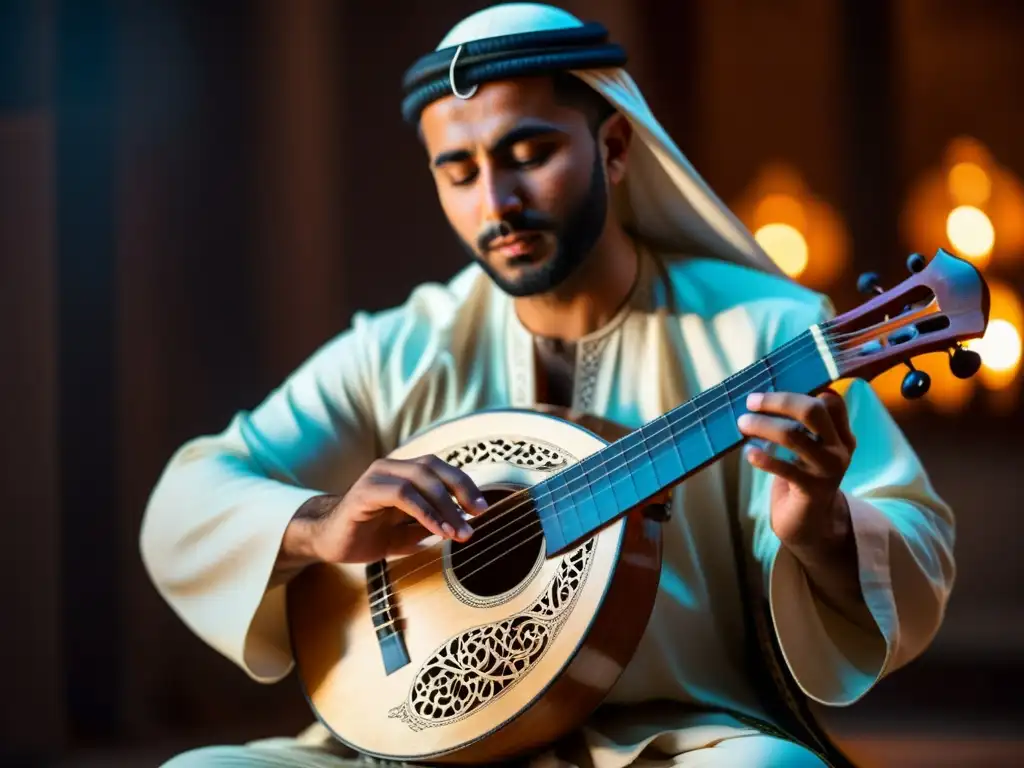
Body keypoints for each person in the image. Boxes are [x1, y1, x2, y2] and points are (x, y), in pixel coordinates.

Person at [141, 4, 955, 766]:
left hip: (660, 744)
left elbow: (911, 533)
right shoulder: (399, 348)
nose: (497, 202)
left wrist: (821, 527)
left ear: (615, 147)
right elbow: (185, 502)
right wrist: (320, 527)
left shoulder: (766, 333)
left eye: (528, 154)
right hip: (420, 746)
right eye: (458, 171)